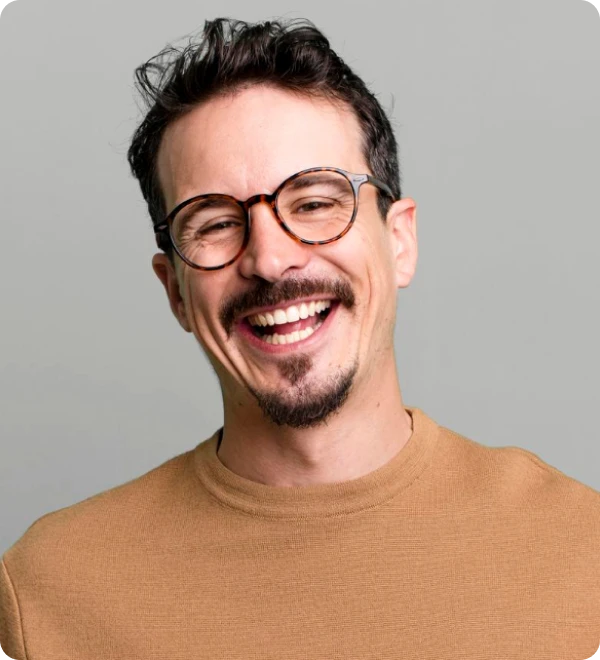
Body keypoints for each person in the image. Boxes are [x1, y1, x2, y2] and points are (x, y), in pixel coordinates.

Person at [1, 17, 599, 659]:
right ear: (175, 291)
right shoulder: (47, 592)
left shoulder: (581, 552)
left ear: (400, 241)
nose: (270, 259)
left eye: (314, 203)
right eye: (215, 223)